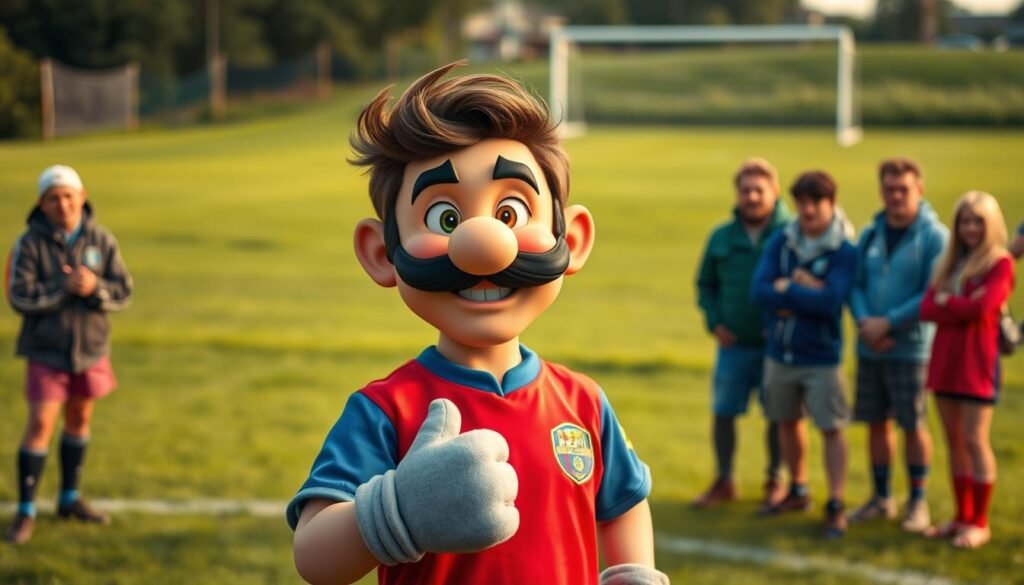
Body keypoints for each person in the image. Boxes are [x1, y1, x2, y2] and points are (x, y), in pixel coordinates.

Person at [286, 62, 668, 585]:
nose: (484, 244)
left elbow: (623, 502)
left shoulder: (583, 403)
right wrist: (399, 512)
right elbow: (313, 556)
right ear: (381, 253)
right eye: (446, 219)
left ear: (571, 239)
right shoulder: (387, 410)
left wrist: (634, 573)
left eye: (510, 213)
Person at [4, 165, 133, 545]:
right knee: (41, 424)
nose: (62, 204)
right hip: (46, 350)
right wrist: (64, 287)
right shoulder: (29, 243)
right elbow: (19, 296)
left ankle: (68, 499)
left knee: (79, 418)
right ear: (42, 204)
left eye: (68, 195)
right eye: (53, 198)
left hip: (90, 349)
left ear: (82, 196)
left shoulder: (101, 239)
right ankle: (26, 510)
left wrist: (94, 288)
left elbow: (123, 292)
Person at [752, 170, 857, 538]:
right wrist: (802, 289)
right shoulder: (783, 240)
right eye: (803, 202)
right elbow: (760, 291)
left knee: (831, 428)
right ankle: (798, 489)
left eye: (817, 202)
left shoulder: (844, 249)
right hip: (781, 353)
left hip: (822, 357)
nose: (809, 210)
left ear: (832, 203)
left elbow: (831, 303)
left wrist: (788, 289)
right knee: (786, 422)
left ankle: (836, 503)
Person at [846, 158, 948, 532]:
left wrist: (888, 323)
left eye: (903, 189)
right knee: (876, 423)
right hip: (870, 347)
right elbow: (854, 284)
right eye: (889, 189)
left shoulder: (934, 236)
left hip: (912, 350)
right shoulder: (871, 233)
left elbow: (932, 293)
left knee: (913, 424)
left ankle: (917, 503)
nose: (896, 196)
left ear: (919, 189)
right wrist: (864, 322)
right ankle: (881, 497)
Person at [693, 158, 790, 511]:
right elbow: (705, 284)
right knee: (723, 411)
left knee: (778, 414)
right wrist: (714, 321)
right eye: (745, 190)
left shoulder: (791, 233)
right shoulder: (722, 236)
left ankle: (776, 480)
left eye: (758, 190)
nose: (751, 197)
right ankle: (724, 479)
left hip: (777, 347)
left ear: (774, 192)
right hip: (733, 346)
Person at [919, 191, 1014, 550]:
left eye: (978, 221)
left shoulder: (1000, 263)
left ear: (991, 225)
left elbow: (983, 309)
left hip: (977, 362)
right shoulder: (950, 262)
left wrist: (949, 302)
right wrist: (955, 304)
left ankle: (980, 521)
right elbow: (928, 308)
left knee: (975, 440)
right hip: (946, 361)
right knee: (954, 442)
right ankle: (961, 515)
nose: (971, 228)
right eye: (965, 221)